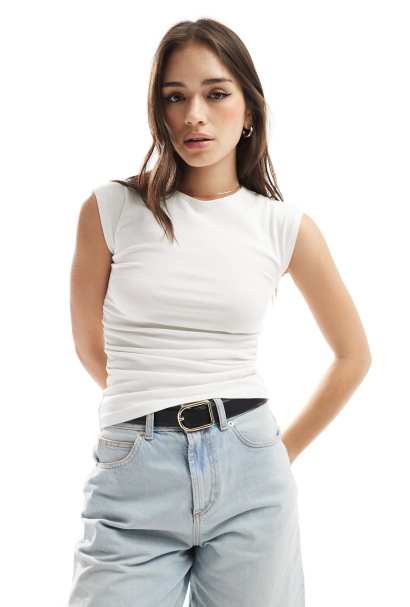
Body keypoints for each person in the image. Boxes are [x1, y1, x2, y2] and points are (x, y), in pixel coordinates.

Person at [68, 18, 371, 607]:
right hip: (134, 472)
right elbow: (88, 344)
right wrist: (150, 409)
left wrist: (275, 454)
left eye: (215, 93)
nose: (194, 115)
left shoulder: (283, 227)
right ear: (159, 112)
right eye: (174, 97)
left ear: (249, 109)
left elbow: (353, 356)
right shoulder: (111, 210)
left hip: (250, 468)